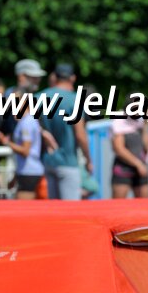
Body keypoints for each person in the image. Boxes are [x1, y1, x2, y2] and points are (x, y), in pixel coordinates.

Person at [38, 63, 93, 200]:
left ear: (55, 77)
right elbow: (80, 135)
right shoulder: (74, 100)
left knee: (54, 209)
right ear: (72, 78)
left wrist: (43, 133)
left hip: (48, 160)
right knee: (70, 210)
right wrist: (88, 159)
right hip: (68, 161)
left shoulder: (39, 97)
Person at [0, 94, 44, 200]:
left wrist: (6, 142)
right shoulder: (27, 120)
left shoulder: (26, 122)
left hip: (29, 171)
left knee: (24, 207)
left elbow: (25, 151)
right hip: (27, 170)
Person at [111, 96, 148, 198]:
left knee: (145, 204)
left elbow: (146, 147)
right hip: (124, 167)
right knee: (118, 204)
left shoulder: (141, 121)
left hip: (141, 167)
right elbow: (119, 148)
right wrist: (137, 164)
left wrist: (146, 125)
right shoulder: (120, 120)